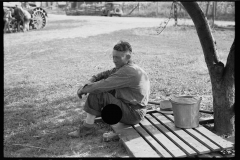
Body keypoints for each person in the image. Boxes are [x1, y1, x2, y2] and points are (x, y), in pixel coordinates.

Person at [68, 40, 151, 138]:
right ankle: (92, 117)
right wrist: (92, 79)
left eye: (117, 57)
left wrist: (83, 90)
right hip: (131, 108)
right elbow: (106, 74)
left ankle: (87, 129)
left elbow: (101, 86)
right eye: (113, 57)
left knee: (97, 92)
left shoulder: (128, 71)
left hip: (133, 114)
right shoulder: (125, 66)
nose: (114, 60)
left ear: (127, 57)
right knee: (101, 89)